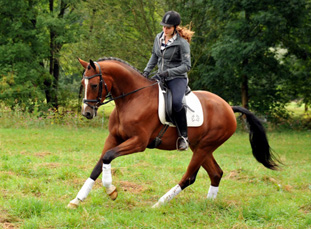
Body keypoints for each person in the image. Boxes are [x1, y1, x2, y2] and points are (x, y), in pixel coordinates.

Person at [143, 11, 194, 151]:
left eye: (168, 27)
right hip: (160, 76)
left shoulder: (182, 44)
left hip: (177, 78)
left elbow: (186, 66)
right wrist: (146, 71)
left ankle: (183, 137)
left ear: (175, 27)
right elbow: (154, 55)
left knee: (177, 102)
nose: (165, 30)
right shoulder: (158, 37)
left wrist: (168, 72)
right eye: (163, 27)